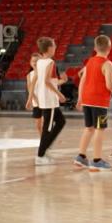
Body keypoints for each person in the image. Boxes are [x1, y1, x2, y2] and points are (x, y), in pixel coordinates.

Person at [74, 35, 112, 171]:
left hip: (87, 99)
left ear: (95, 48)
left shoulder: (89, 62)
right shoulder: (107, 64)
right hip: (99, 101)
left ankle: (81, 156)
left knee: (89, 128)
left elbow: (82, 81)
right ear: (109, 48)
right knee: (99, 129)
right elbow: (109, 84)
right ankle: (97, 160)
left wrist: (80, 98)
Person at [33, 38, 68, 166]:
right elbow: (47, 82)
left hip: (44, 98)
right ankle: (41, 155)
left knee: (61, 121)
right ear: (48, 48)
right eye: (54, 46)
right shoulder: (50, 62)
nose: (55, 47)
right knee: (47, 128)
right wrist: (59, 94)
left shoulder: (40, 62)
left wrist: (62, 81)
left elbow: (49, 81)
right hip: (49, 100)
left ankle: (46, 147)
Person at [25, 53, 43, 141]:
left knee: (46, 123)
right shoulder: (29, 75)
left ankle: (47, 140)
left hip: (46, 102)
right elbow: (30, 88)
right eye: (33, 61)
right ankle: (42, 139)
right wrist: (34, 100)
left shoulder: (45, 72)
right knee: (38, 125)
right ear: (30, 63)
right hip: (36, 103)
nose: (35, 63)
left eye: (37, 61)